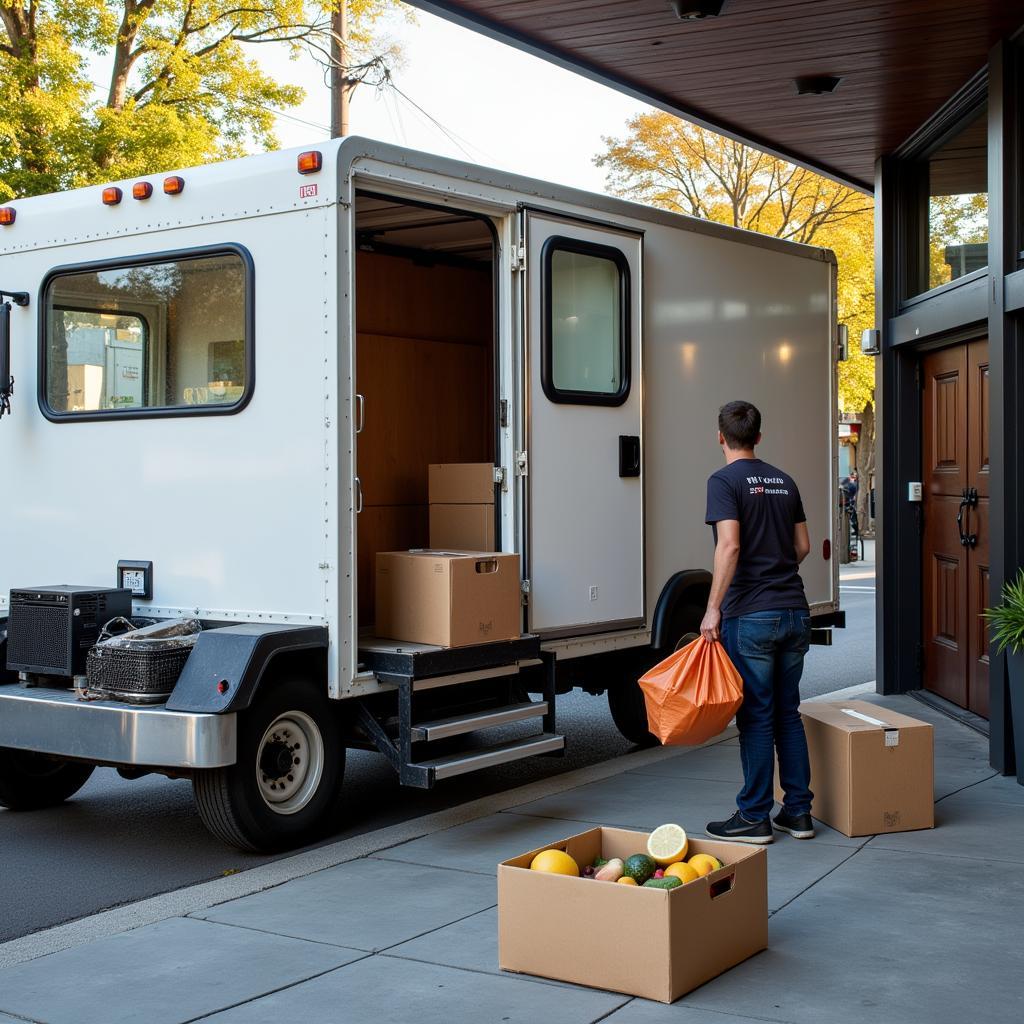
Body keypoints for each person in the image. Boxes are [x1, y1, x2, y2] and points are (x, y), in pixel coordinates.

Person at [700, 400, 815, 844]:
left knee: (757, 717)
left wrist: (714, 608)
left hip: (751, 616)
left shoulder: (723, 481)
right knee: (788, 713)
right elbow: (801, 545)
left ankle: (753, 816)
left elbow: (728, 546)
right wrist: (778, 570)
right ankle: (798, 813)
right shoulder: (784, 481)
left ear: (720, 436)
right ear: (759, 437)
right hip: (794, 610)